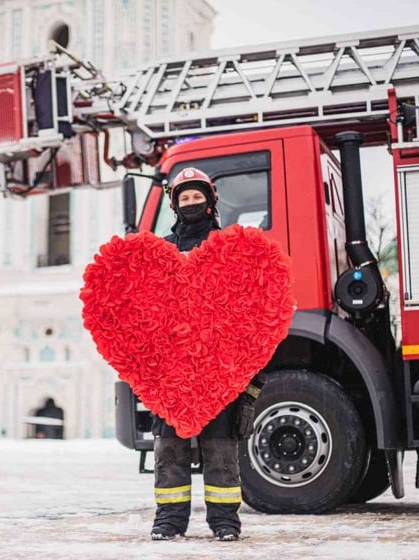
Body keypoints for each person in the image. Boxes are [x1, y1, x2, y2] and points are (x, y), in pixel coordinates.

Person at [150, 166, 264, 542]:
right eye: (185, 198)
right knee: (170, 447)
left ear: (211, 201)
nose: (192, 203)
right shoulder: (161, 250)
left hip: (218, 366)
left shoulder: (231, 247)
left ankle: (225, 523)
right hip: (173, 366)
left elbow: (250, 306)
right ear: (174, 205)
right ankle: (169, 522)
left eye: (198, 197)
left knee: (220, 447)